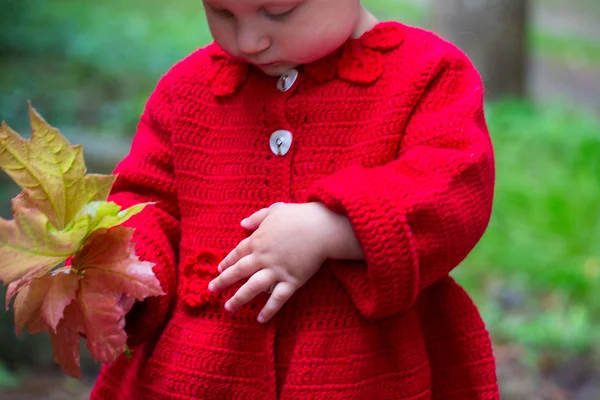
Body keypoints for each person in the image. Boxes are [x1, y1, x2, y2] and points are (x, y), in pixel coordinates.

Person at [90, 0, 499, 398]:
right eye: (222, 13)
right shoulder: (188, 90)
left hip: (366, 369)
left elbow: (453, 185)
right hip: (200, 370)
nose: (249, 41)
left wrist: (334, 229)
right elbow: (147, 199)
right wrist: (125, 271)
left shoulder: (427, 74)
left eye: (279, 12)